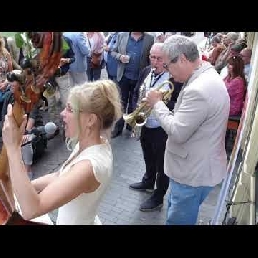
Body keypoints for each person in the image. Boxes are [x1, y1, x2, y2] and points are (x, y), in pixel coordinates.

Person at [2, 79, 122, 225]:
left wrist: (13, 148)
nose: (62, 113)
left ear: (90, 120)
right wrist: (24, 188)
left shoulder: (89, 166)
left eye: (70, 109)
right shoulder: (91, 142)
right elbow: (60, 176)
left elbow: (31, 209)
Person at [146, 35, 230, 225]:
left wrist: (157, 104)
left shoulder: (198, 89)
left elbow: (177, 132)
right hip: (196, 169)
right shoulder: (205, 74)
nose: (168, 71)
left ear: (183, 59)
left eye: (167, 65)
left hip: (191, 174)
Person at [129, 43, 183, 212]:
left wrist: (161, 101)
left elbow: (179, 104)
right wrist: (135, 111)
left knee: (162, 164)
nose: (155, 62)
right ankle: (148, 181)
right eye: (152, 57)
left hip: (162, 128)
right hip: (145, 123)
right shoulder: (146, 71)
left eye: (159, 58)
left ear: (167, 59)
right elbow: (137, 90)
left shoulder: (175, 78)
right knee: (148, 155)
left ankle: (158, 197)